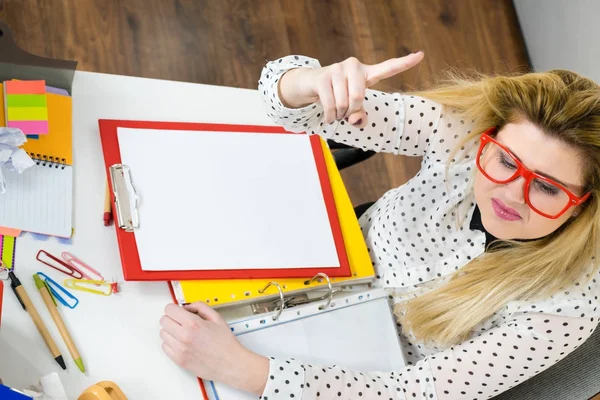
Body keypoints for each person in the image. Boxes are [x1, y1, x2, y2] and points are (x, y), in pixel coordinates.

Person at [159, 52, 600, 399]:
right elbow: (289, 107)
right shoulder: (467, 133)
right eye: (505, 161)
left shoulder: (568, 306)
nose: (509, 194)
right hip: (312, 268)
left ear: (583, 205)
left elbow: (412, 393)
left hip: (358, 373)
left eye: (546, 187)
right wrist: (309, 84)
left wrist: (242, 370)